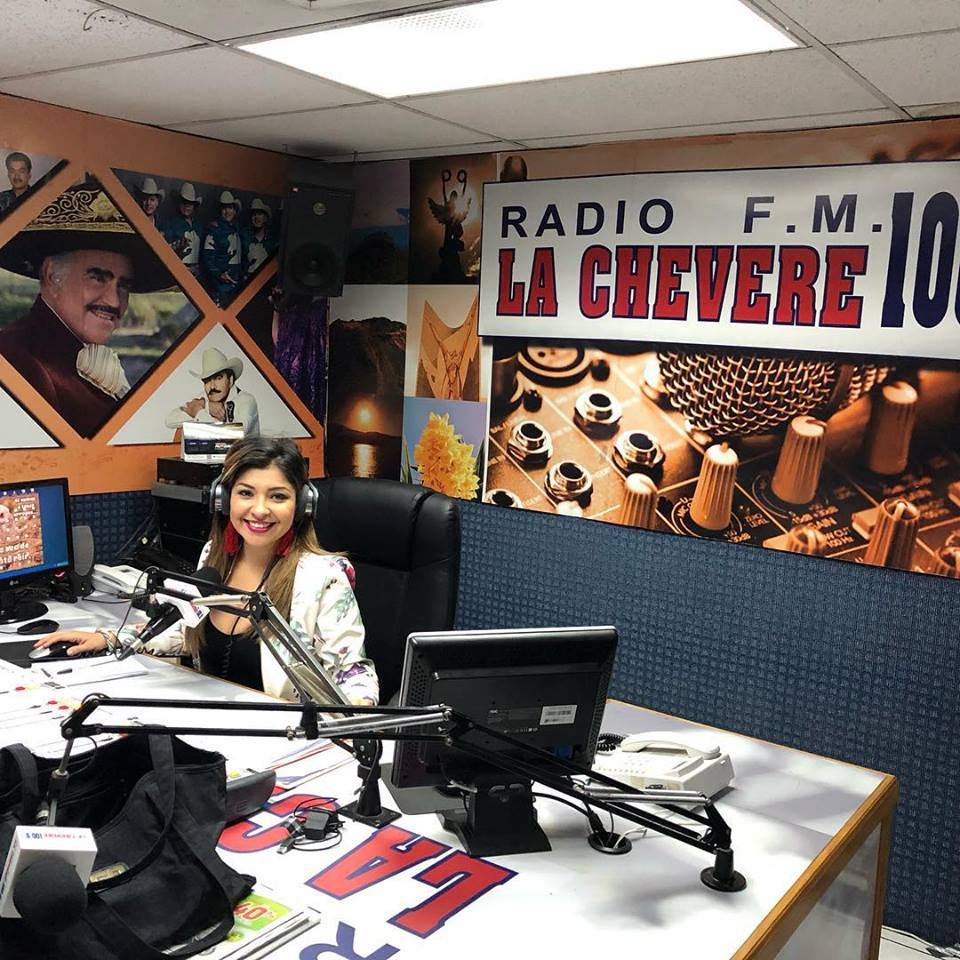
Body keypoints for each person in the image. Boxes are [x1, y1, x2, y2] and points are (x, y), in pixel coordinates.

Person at [34, 437, 379, 705]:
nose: (260, 510)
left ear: (302, 505)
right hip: (210, 727)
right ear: (224, 499)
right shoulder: (214, 557)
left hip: (283, 739)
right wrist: (110, 638)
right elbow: (188, 631)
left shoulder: (322, 577)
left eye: (277, 496)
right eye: (246, 493)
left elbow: (354, 675)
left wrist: (352, 723)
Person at [0, 180, 173, 437]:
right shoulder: (20, 360)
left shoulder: (55, 357)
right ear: (52, 275)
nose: (114, 301)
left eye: (124, 286)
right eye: (98, 278)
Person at [165, 346, 260, 437]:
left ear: (230, 380)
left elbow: (237, 434)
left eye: (218, 378)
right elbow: (170, 420)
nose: (212, 386)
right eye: (207, 381)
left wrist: (199, 412)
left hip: (244, 449)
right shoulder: (205, 398)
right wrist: (207, 407)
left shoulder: (246, 400)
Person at [201, 190, 243, 306]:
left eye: (230, 208)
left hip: (237, 285)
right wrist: (220, 275)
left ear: (235, 210)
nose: (227, 211)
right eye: (224, 208)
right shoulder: (213, 230)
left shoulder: (238, 228)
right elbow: (207, 259)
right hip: (219, 286)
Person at [162, 182, 202, 274]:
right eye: (184, 202)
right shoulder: (170, 223)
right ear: (179, 203)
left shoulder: (199, 225)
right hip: (177, 270)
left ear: (194, 206)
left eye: (190, 204)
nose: (186, 206)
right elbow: (165, 250)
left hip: (196, 272)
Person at [242, 198, 277, 278]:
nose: (256, 217)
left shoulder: (272, 241)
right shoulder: (244, 236)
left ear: (265, 218)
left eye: (259, 214)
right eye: (254, 214)